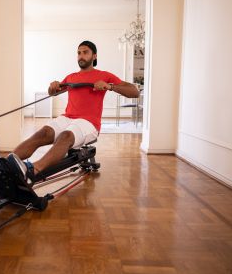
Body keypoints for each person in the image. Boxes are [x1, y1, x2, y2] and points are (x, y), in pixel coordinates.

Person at [8, 40, 139, 184]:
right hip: (68, 117)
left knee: (66, 136)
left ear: (94, 56)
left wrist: (109, 86)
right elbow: (54, 93)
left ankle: (34, 170)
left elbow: (134, 92)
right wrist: (52, 88)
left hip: (89, 122)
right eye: (78, 53)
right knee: (43, 132)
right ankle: (6, 164)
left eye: (85, 52)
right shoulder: (71, 77)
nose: (81, 56)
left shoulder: (104, 75)